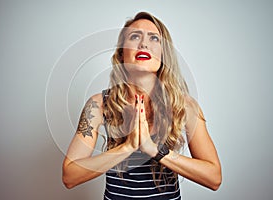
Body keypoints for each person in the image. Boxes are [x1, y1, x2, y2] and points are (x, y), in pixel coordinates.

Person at [62, 12, 222, 199]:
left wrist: (155, 150)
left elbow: (214, 178)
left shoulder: (184, 106)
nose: (144, 44)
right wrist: (127, 147)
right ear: (121, 54)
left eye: (154, 38)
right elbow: (69, 176)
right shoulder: (98, 106)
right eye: (135, 36)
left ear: (164, 55)